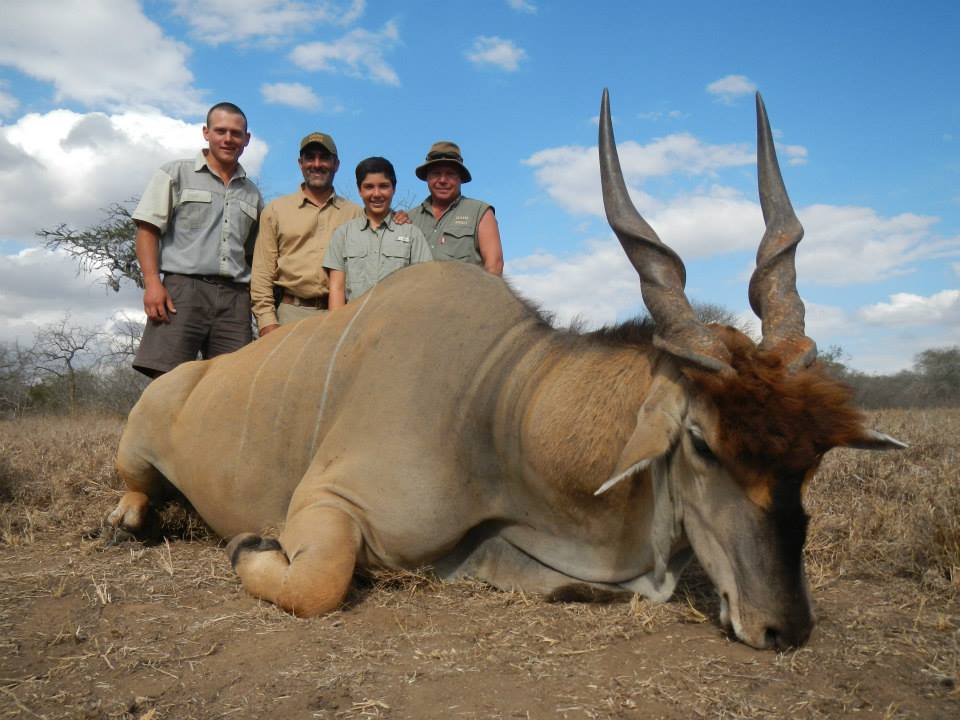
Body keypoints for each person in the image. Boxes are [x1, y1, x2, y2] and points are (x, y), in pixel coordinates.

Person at [132, 102, 263, 378]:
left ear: (247, 139)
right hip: (182, 292)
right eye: (220, 131)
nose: (228, 139)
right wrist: (153, 282)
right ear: (206, 133)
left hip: (236, 299)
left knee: (230, 386)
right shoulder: (175, 173)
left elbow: (253, 255)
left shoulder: (252, 193)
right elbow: (147, 230)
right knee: (167, 382)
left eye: (236, 133)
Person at [250, 132, 363, 336]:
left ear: (336, 164)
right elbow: (262, 273)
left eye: (324, 158)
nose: (317, 164)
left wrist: (399, 217)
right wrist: (267, 321)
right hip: (289, 315)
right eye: (310, 158)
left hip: (341, 315)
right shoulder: (276, 211)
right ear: (300, 163)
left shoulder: (355, 213)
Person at [323, 157, 433, 307]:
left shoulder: (412, 233)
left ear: (393, 188)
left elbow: (424, 286)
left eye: (383, 186)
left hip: (399, 324)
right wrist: (336, 328)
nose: (376, 194)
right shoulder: (343, 234)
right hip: (353, 324)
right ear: (359, 190)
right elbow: (337, 288)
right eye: (369, 187)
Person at [410, 140, 504, 275]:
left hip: (465, 295)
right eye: (436, 173)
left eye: (450, 174)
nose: (442, 180)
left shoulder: (480, 211)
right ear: (427, 178)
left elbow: (495, 265)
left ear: (460, 178)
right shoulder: (409, 218)